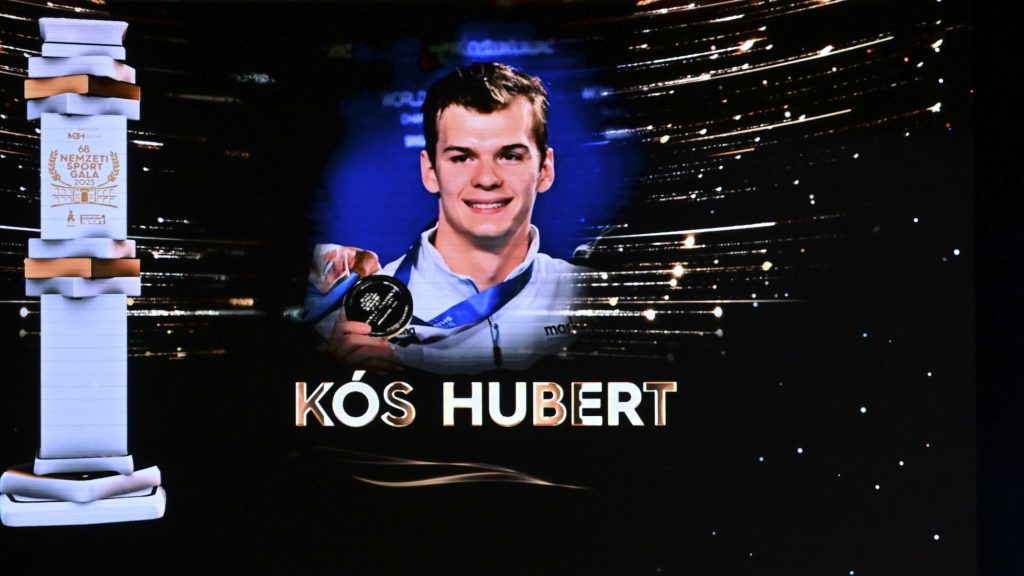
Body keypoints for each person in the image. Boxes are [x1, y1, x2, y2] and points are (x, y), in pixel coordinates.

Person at [311, 62, 582, 374]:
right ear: (430, 171)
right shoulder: (356, 318)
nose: (487, 179)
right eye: (462, 158)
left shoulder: (594, 296)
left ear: (545, 170)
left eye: (509, 156)